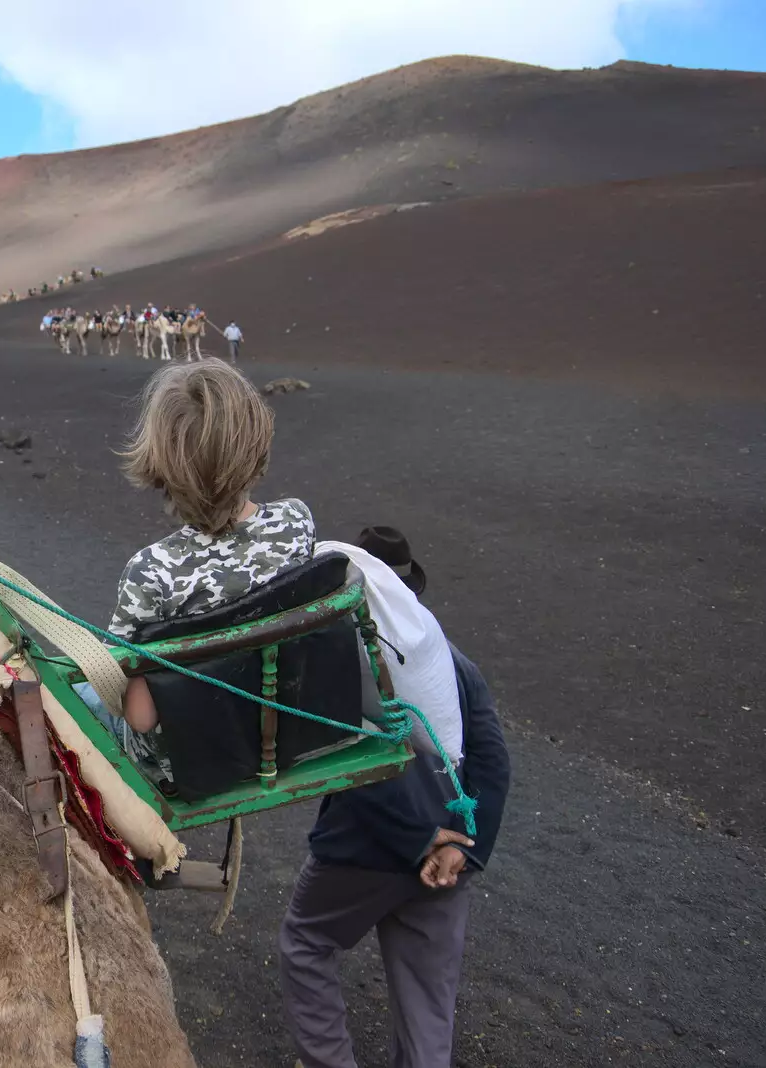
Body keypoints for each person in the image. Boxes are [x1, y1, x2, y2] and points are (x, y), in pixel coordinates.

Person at [278, 532, 510, 1068]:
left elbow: (355, 762)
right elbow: (493, 760)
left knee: (306, 944)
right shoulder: (452, 662)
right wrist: (465, 850)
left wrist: (419, 838)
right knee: (428, 997)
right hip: (455, 842)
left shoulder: (338, 663)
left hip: (367, 849)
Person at [94, 359, 314, 783]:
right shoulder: (296, 522)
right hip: (283, 732)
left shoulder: (150, 573)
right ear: (256, 443)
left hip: (188, 763)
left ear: (160, 464)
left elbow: (140, 717)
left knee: (78, 701)